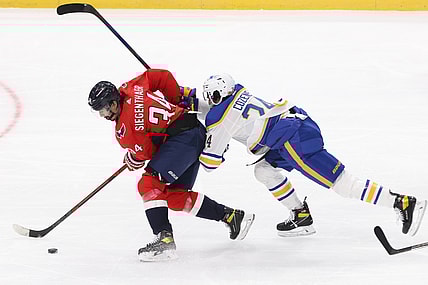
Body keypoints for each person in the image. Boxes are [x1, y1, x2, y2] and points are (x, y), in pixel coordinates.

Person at [187, 73, 427, 237]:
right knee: (264, 170)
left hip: (292, 140)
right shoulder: (238, 90)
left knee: (342, 184)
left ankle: (403, 202)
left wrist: (204, 142)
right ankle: (301, 215)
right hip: (291, 127)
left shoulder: (220, 119)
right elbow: (219, 109)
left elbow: (210, 163)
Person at [87, 69, 255, 262]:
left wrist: (134, 158)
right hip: (193, 132)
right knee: (173, 196)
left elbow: (147, 153)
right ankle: (232, 217)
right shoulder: (131, 88)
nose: (102, 115)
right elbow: (161, 77)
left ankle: (164, 239)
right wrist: (175, 99)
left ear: (114, 103)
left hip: (183, 140)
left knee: (148, 185)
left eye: (103, 109)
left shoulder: (125, 130)